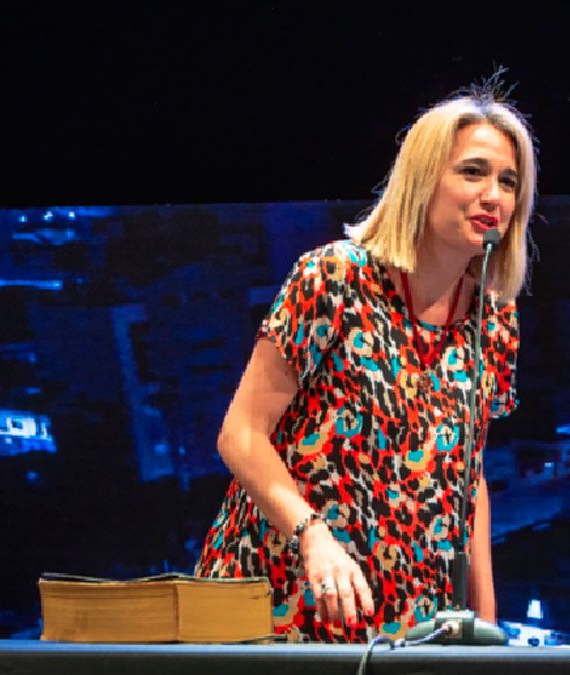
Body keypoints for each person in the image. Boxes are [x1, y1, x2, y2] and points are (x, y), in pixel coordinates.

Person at [194, 80, 537, 643]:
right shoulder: (334, 278)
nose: (493, 196)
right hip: (289, 588)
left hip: (410, 614)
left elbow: (467, 478)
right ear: (423, 179)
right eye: (473, 172)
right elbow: (241, 434)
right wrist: (313, 536)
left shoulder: (494, 318)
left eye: (508, 181)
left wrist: (487, 622)